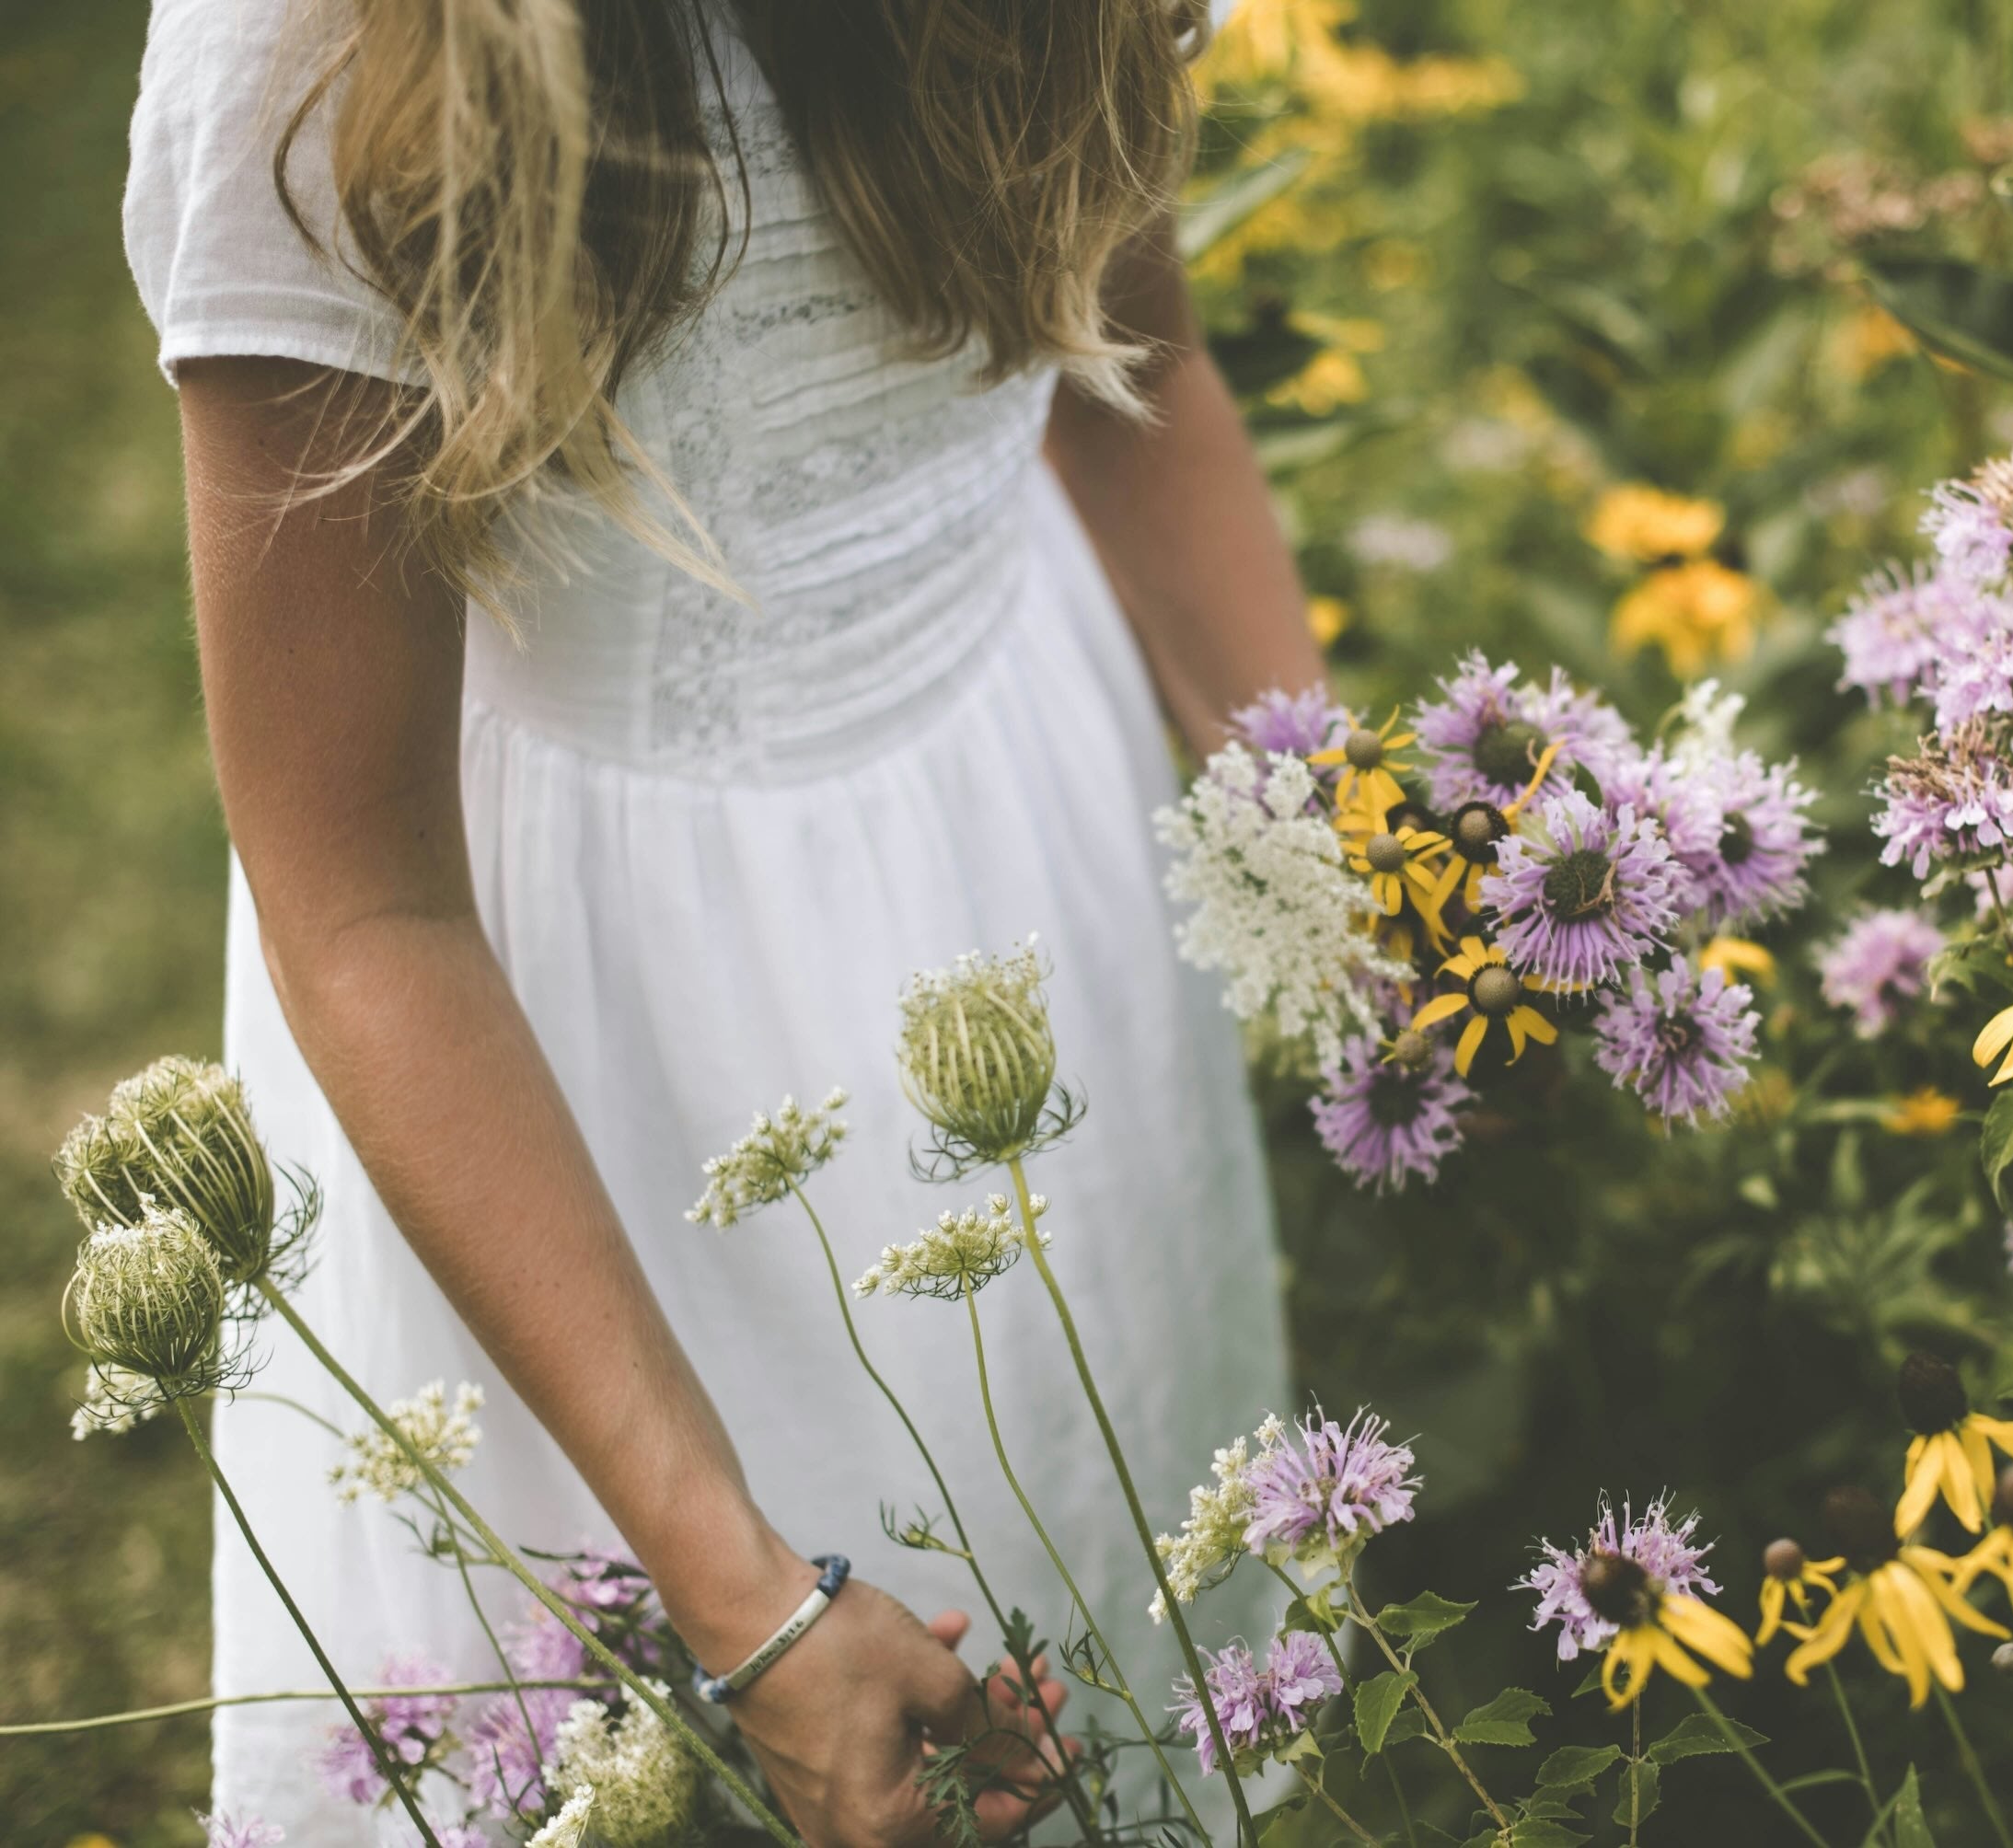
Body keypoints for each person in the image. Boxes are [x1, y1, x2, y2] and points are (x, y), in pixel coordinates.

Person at [124, 0, 1321, 1838]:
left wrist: (1356, 867)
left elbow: (1131, 375)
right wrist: (749, 1601)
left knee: (1097, 1571)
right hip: (577, 1052)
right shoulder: (329, 50)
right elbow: (356, 890)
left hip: (1035, 842)